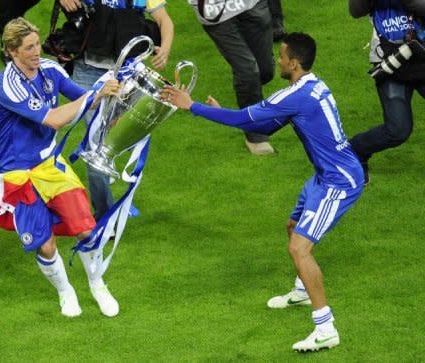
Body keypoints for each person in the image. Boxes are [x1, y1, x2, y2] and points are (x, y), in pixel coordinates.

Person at [162, 32, 364, 352]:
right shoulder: (311, 86)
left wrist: (193, 107)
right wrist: (226, 113)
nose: (277, 61)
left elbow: (247, 117)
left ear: (294, 63)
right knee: (293, 227)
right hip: (325, 176)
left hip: (338, 183)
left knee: (299, 249)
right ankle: (301, 290)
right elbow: (266, 126)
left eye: (281, 57)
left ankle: (326, 328)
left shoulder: (295, 96)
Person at [0, 17, 122, 318]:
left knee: (86, 230)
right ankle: (66, 292)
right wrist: (95, 93)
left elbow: (80, 98)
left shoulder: (49, 69)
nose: (37, 51)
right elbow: (54, 119)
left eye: (37, 44)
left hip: (50, 162)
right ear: (12, 51)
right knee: (45, 246)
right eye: (29, 47)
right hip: (17, 172)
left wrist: (112, 104)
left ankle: (97, 285)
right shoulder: (7, 85)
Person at [69, 0, 174, 220]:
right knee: (98, 142)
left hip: (128, 76)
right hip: (89, 74)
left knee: (123, 136)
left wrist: (164, 49)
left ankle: (119, 202)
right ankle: (105, 213)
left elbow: (164, 20)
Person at [348, 0, 425, 185]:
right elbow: (356, 10)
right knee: (397, 131)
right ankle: (355, 151)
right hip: (391, 63)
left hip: (422, 56)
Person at [187, 0, 276, 155]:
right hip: (214, 10)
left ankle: (247, 84)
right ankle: (256, 137)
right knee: (248, 70)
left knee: (265, 71)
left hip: (253, 4)